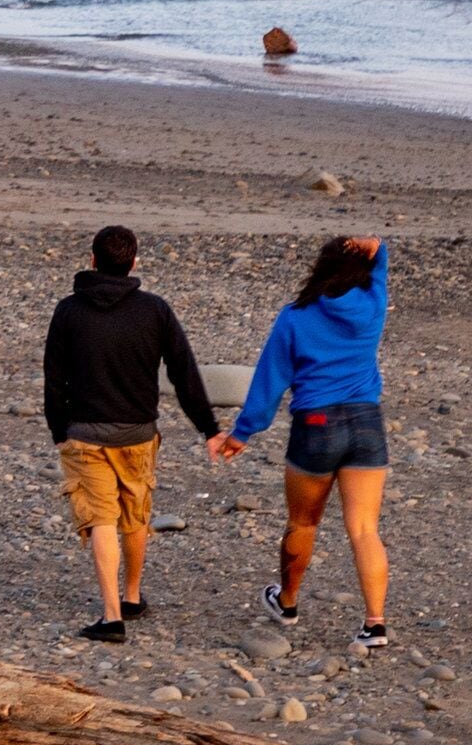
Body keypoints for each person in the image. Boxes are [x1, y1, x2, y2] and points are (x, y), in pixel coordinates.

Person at [208, 235, 396, 651]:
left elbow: (270, 381)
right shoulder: (371, 307)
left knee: (303, 522)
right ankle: (375, 625)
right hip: (367, 421)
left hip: (316, 424)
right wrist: (370, 246)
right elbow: (381, 257)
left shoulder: (294, 317)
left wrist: (242, 432)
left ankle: (288, 602)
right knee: (365, 528)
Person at [40, 224, 220, 644]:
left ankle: (110, 617)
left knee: (102, 520)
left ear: (92, 260)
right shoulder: (155, 310)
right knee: (135, 514)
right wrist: (209, 429)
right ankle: (133, 596)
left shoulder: (68, 311)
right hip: (138, 434)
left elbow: (54, 377)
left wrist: (57, 430)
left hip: (84, 434)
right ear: (134, 262)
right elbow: (183, 372)